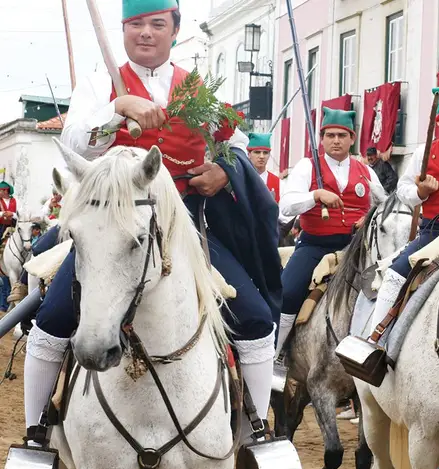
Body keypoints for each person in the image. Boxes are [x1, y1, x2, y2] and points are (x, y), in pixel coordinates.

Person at [24, 0, 281, 445]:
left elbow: (235, 145)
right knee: (53, 319)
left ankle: (256, 433)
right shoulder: (99, 83)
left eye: (156, 24)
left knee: (256, 319)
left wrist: (224, 170)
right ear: (123, 29)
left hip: (184, 229)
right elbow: (74, 143)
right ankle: (36, 434)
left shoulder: (196, 88)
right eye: (135, 24)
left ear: (174, 30)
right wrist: (116, 107)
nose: (145, 32)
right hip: (110, 228)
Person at [359, 81, 439, 343]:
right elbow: (403, 190)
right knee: (395, 275)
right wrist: (421, 192)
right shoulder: (422, 153)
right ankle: (375, 342)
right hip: (433, 234)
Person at [277, 107, 384, 356]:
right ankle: (276, 351)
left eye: (342, 135)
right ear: (322, 138)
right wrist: (315, 195)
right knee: (288, 292)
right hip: (315, 246)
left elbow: (384, 205)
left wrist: (369, 217)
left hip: (357, 248)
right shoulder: (307, 166)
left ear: (352, 139)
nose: (336, 140)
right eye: (330, 135)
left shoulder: (366, 171)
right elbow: (286, 205)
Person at [247, 132, 280, 203]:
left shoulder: (278, 183)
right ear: (249, 154)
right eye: (257, 152)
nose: (262, 156)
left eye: (265, 153)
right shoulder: (239, 179)